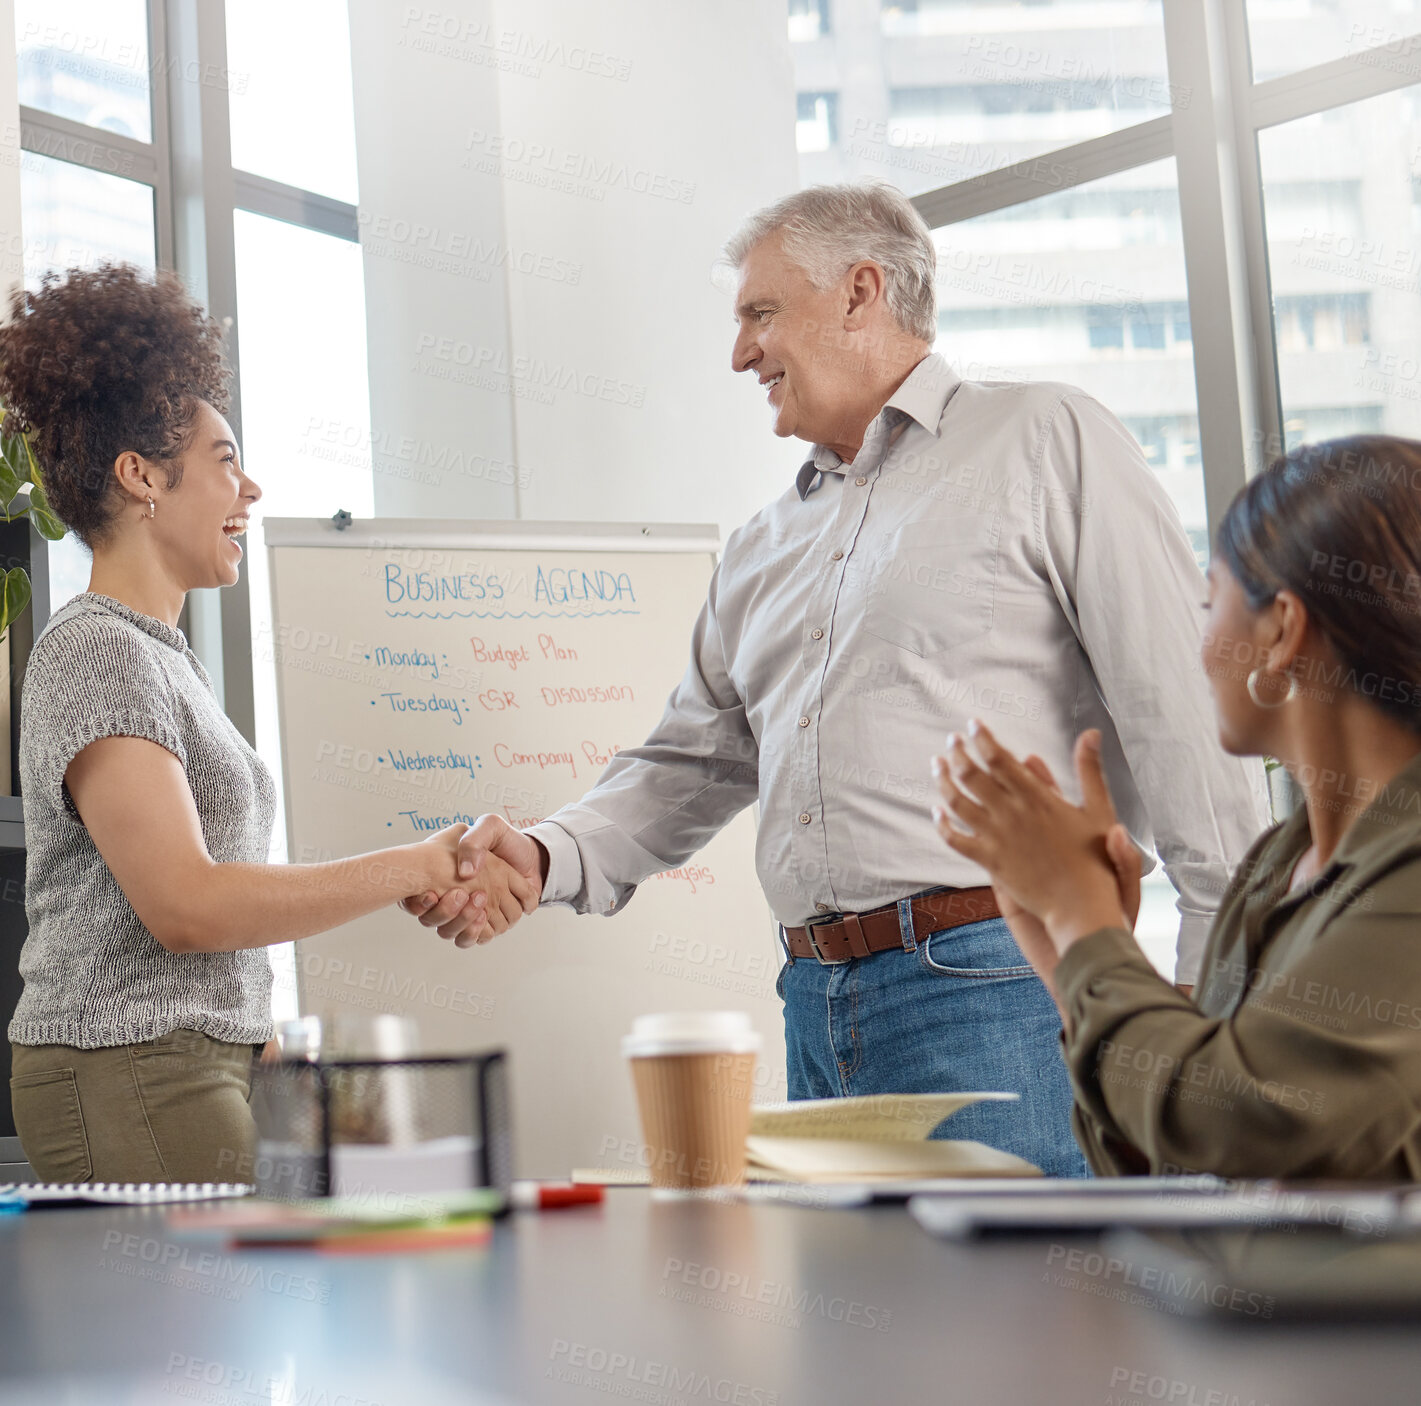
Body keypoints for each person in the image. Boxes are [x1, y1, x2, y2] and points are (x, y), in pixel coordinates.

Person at [407, 183, 1268, 1178]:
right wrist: (544, 854)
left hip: (998, 985)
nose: (739, 354)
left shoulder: (1044, 438)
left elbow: (1181, 722)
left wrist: (1211, 1042)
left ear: (860, 290)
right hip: (814, 1006)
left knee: (1022, 1323)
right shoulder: (762, 545)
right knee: (864, 1333)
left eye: (758, 313)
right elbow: (689, 761)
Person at [0, 263, 535, 1184]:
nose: (248, 491)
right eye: (223, 462)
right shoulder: (96, 651)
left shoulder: (163, 661)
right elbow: (187, 906)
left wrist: (256, 1041)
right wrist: (418, 861)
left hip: (194, 1061)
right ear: (141, 478)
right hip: (129, 1064)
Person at [931, 434, 1421, 1179]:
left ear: (1281, 629)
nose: (1198, 642)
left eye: (1209, 600)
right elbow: (1177, 1154)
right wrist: (1074, 962)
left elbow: (1248, 1124)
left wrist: (1084, 922)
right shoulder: (1275, 866)